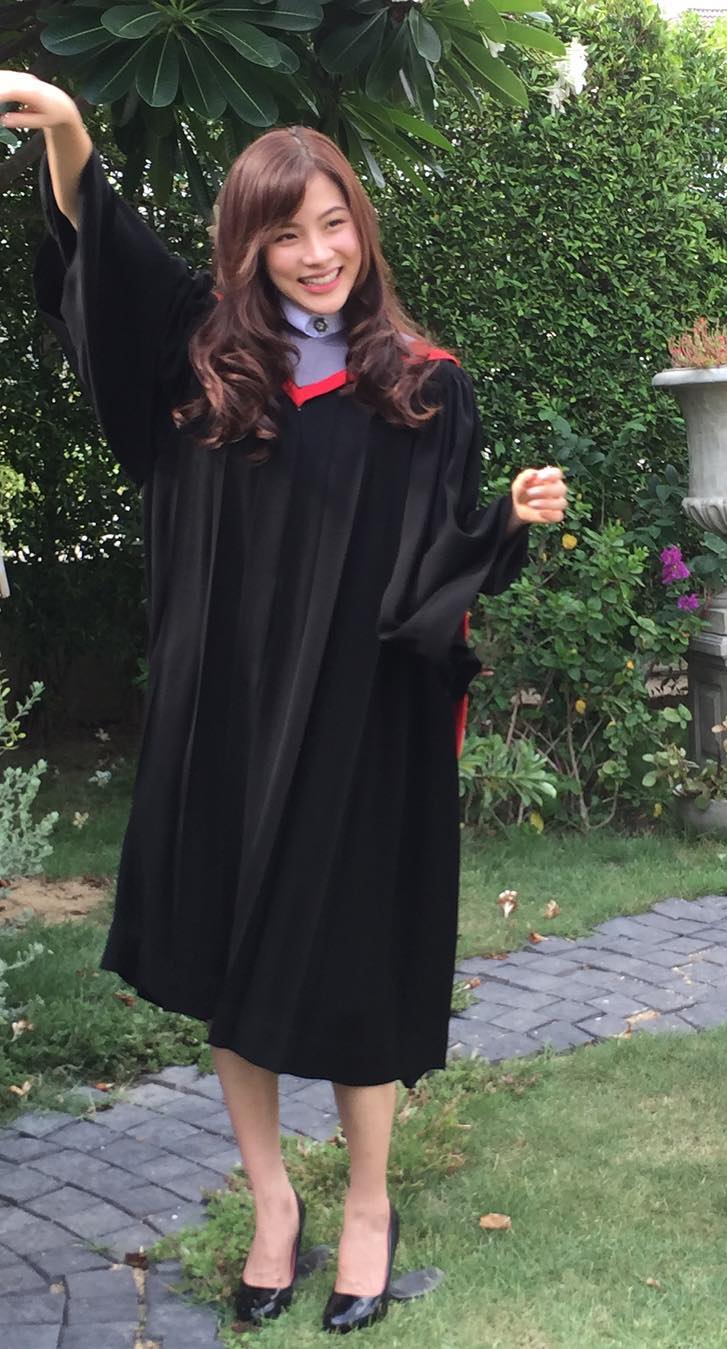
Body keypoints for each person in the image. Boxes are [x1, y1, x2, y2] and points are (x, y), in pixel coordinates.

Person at [5, 70, 567, 1334]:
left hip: (357, 725)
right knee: (229, 952)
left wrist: (505, 523)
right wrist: (69, 131)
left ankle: (368, 1203)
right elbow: (109, 257)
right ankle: (273, 1203)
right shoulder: (201, 362)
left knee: (356, 960)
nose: (317, 254)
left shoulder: (422, 386)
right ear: (247, 247)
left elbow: (433, 563)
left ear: (362, 227)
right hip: (224, 717)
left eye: (334, 224)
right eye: (285, 233)